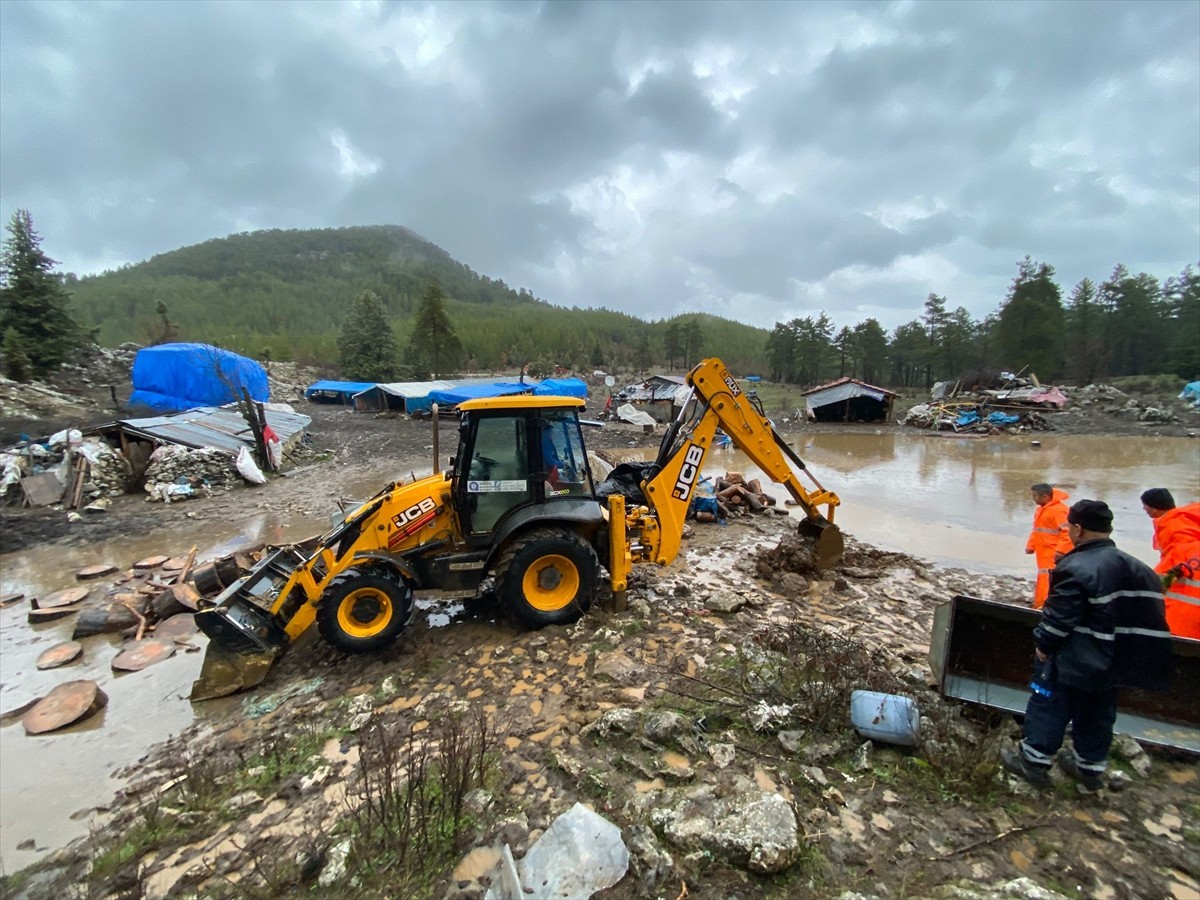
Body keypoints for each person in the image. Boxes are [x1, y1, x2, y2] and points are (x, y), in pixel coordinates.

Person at [1002, 500, 1172, 792]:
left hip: (1075, 656)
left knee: (1049, 703)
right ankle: (1090, 767)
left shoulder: (1075, 567)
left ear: (1078, 529)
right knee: (1098, 713)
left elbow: (1059, 617)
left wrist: (1043, 645)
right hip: (1114, 661)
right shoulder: (1142, 570)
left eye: (1069, 527)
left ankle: (1034, 762)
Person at [1141, 487, 1200, 639]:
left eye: (1145, 505)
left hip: (1180, 625)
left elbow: (1159, 580)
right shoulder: (1183, 525)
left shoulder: (1175, 529)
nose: (1143, 508)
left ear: (1153, 507)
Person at [1025, 483, 1073, 609]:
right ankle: (1040, 603)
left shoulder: (1059, 510)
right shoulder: (1041, 509)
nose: (1033, 498)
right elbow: (1037, 529)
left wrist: (1060, 551)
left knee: (1049, 579)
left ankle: (1045, 605)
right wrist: (1031, 545)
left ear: (1045, 496)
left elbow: (1067, 533)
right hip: (1043, 551)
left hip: (1052, 552)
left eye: (1035, 496)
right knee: (1043, 578)